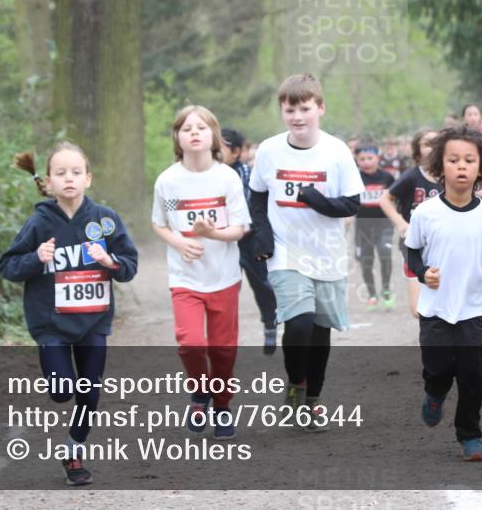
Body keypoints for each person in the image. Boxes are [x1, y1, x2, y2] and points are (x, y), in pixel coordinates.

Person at [0, 142, 139, 486]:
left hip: (93, 321)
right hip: (52, 325)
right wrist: (36, 258)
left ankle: (73, 452)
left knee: (89, 392)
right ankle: (65, 395)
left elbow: (130, 265)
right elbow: (8, 266)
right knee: (63, 390)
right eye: (61, 173)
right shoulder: (39, 223)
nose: (69, 178)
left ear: (88, 178)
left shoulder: (105, 219)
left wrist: (110, 262)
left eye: (76, 172)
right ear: (48, 183)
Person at [248, 73, 364, 430]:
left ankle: (312, 398)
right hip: (286, 252)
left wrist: (314, 199)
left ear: (320, 108)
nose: (297, 117)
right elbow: (257, 197)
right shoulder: (269, 150)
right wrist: (262, 237)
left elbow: (351, 204)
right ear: (282, 111)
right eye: (290, 109)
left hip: (326, 253)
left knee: (319, 330)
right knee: (297, 324)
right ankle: (296, 385)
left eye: (304, 109)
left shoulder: (336, 151)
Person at [406, 126, 482, 461]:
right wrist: (423, 273)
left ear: (481, 167)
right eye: (453, 160)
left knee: (470, 374)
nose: (461, 166)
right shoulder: (425, 213)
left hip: (474, 309)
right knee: (437, 368)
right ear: (440, 166)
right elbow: (413, 253)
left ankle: (470, 436)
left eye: (469, 160)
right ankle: (434, 393)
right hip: (435, 308)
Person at [152, 106, 251, 439]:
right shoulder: (168, 181)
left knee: (223, 349)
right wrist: (180, 243)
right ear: (178, 138)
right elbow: (160, 223)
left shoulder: (227, 177)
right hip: (185, 277)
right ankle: (199, 393)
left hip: (223, 277)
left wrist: (212, 234)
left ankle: (222, 406)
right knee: (191, 343)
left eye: (201, 127)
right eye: (186, 128)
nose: (194, 132)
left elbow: (239, 228)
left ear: (214, 136)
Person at [222, 128, 278, 355]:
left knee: (262, 285)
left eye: (221, 148)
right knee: (225, 288)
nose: (215, 152)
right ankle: (224, 335)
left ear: (236, 152)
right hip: (223, 241)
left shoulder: (245, 173)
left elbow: (249, 205)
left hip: (250, 239)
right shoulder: (209, 176)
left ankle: (270, 323)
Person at [380, 128, 441, 319]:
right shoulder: (411, 176)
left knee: (441, 300)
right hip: (413, 246)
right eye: (426, 144)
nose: (432, 147)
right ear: (417, 150)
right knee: (418, 310)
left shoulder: (448, 176)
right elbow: (384, 199)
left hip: (441, 243)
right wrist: (401, 224)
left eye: (436, 143)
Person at [353, 143, 396, 309]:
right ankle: (372, 293)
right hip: (363, 227)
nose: (366, 162)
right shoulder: (355, 178)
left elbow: (396, 197)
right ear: (357, 160)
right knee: (366, 261)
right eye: (362, 159)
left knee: (385, 253)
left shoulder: (387, 177)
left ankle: (385, 288)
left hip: (383, 224)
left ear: (378, 158)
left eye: (370, 158)